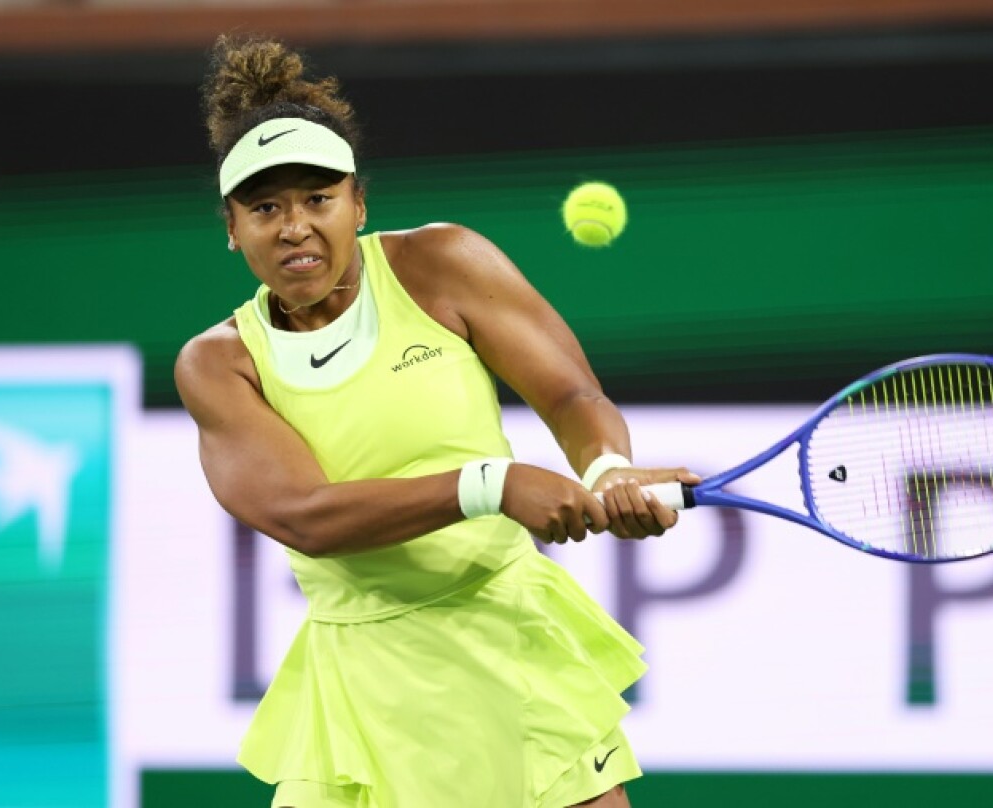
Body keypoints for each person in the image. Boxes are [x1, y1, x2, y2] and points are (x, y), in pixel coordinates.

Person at [175, 35, 700, 808]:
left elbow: (571, 398)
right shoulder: (221, 364)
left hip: (510, 641)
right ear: (231, 228)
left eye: (318, 199)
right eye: (265, 209)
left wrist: (606, 468)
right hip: (360, 688)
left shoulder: (442, 266)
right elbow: (306, 516)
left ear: (358, 202)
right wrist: (492, 484)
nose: (294, 228)